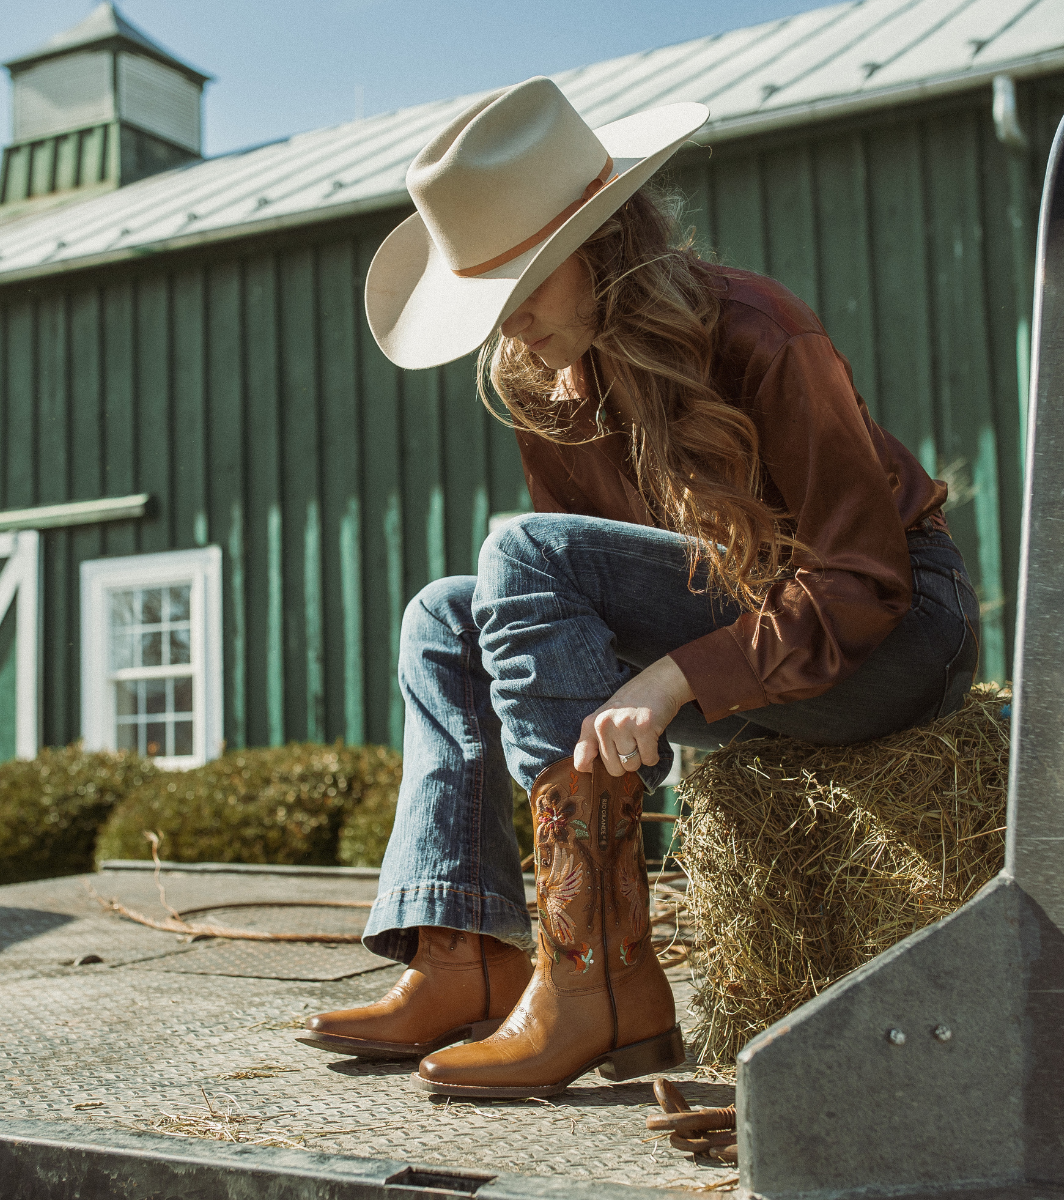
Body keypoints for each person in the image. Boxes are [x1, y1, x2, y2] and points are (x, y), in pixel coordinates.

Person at [297, 77, 979, 1099]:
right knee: (443, 617)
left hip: (896, 643)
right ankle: (467, 951)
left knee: (521, 554)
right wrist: (667, 672)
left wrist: (672, 678)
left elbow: (865, 584)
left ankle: (595, 982)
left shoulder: (758, 331)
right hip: (747, 656)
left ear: (602, 242)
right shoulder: (549, 389)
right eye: (488, 301)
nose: (510, 327)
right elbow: (565, 624)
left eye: (523, 283)